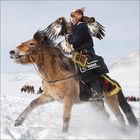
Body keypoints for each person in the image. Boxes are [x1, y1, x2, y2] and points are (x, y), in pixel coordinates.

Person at [67, 8, 109, 100]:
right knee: (79, 73)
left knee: (86, 71)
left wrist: (69, 37)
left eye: (73, 17)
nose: (72, 19)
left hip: (85, 52)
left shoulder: (81, 27)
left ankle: (98, 92)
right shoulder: (78, 27)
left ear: (77, 18)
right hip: (81, 53)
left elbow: (75, 39)